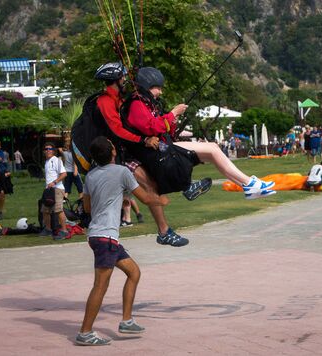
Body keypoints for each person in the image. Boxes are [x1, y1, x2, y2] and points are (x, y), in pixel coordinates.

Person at [94, 62, 206, 247]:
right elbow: (117, 131)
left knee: (154, 180)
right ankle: (163, 230)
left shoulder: (121, 99)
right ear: (115, 79)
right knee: (148, 186)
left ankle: (179, 199)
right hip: (116, 155)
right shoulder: (105, 101)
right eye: (122, 77)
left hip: (127, 150)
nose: (125, 80)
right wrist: (142, 140)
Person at [123, 66, 276, 200]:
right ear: (148, 86)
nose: (161, 92)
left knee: (213, 150)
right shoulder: (136, 104)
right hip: (158, 155)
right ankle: (249, 184)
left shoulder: (147, 104)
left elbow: (162, 127)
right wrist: (173, 113)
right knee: (213, 149)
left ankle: (248, 185)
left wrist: (172, 121)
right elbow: (152, 128)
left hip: (163, 149)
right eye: (158, 88)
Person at [76, 136, 168, 346]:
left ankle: (126, 320)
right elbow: (145, 198)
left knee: (133, 272)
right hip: (106, 237)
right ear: (113, 152)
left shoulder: (90, 176)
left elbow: (88, 208)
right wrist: (161, 200)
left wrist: (116, 197)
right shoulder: (122, 172)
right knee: (100, 286)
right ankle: (85, 332)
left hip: (99, 235)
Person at [40, 142, 69, 240]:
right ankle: (48, 229)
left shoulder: (56, 160)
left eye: (50, 149)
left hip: (57, 188)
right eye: (46, 149)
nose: (48, 150)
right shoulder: (47, 161)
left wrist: (54, 182)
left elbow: (64, 174)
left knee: (58, 210)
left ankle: (64, 231)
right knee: (45, 210)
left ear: (53, 150)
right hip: (48, 189)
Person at [0, 149, 13, 220]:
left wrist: (9, 171)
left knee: (1, 194)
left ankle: (0, 212)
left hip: (2, 175)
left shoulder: (3, 154)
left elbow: (8, 161)